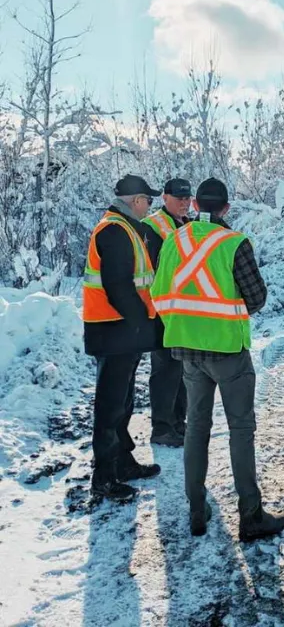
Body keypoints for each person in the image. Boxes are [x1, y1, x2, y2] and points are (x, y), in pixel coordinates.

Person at [151, 177, 284, 540]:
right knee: (240, 430)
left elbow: (159, 292)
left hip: (187, 352)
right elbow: (256, 299)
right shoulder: (234, 243)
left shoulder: (174, 240)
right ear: (227, 208)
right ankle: (251, 515)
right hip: (228, 351)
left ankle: (196, 510)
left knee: (196, 427)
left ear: (195, 204)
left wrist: (183, 325)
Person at [83, 174, 163, 501]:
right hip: (114, 331)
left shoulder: (125, 227)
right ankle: (103, 477)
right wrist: (140, 325)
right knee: (110, 406)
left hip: (121, 332)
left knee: (123, 403)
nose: (150, 206)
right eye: (148, 200)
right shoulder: (115, 231)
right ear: (135, 200)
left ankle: (123, 463)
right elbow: (118, 287)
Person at [142, 178, 192, 447]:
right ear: (165, 198)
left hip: (181, 309)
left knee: (180, 368)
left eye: (187, 197)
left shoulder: (186, 224)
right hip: (161, 309)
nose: (184, 202)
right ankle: (161, 427)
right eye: (179, 197)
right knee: (165, 369)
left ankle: (177, 423)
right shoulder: (153, 226)